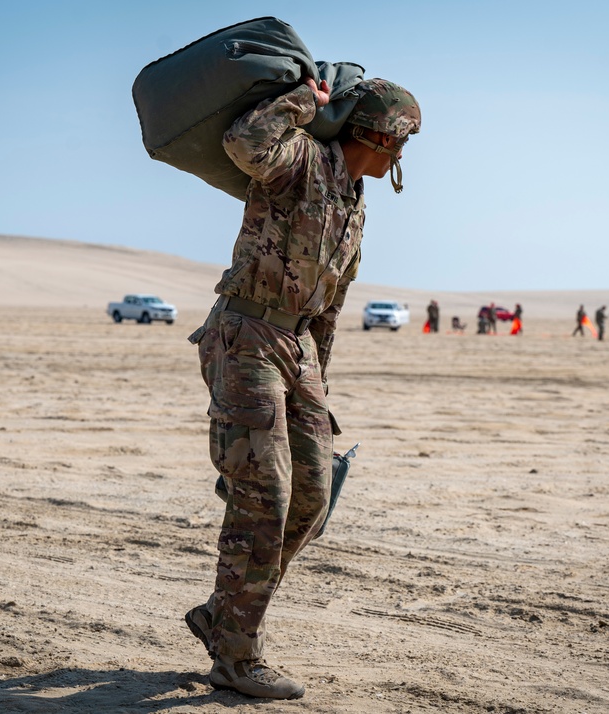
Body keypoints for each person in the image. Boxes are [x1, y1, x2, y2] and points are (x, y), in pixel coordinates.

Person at [184, 75, 421, 700]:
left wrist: (320, 381)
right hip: (248, 334)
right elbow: (244, 143)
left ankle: (221, 614)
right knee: (266, 494)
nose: (403, 154)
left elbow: (331, 302)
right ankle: (236, 655)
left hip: (300, 351)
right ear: (379, 133)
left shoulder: (355, 200)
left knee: (312, 496)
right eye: (402, 140)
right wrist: (302, 103)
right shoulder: (303, 161)